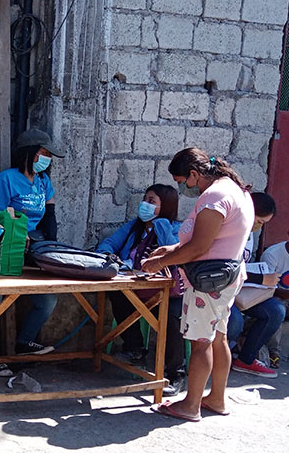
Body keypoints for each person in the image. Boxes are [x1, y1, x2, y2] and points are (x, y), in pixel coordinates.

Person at [143, 148, 254, 421]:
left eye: (183, 181)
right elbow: (216, 240)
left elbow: (199, 248)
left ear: (195, 174)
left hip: (208, 281)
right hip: (226, 277)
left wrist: (160, 263)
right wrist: (169, 251)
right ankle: (216, 398)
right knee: (219, 338)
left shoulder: (214, 197)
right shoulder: (237, 191)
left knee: (200, 342)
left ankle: (190, 405)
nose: (183, 188)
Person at [0, 128, 64, 378]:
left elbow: (50, 218)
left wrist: (52, 248)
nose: (46, 158)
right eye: (43, 153)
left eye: (49, 155)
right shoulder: (7, 179)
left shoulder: (44, 182)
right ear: (29, 153)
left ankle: (25, 343)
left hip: (35, 247)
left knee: (48, 299)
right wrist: (13, 228)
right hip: (7, 245)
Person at [97, 184, 189, 395]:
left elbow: (175, 252)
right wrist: (110, 257)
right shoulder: (134, 227)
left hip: (165, 290)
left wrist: (161, 225)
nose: (145, 204)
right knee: (117, 296)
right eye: (145, 199)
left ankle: (175, 373)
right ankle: (134, 348)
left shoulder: (175, 228)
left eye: (152, 201)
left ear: (165, 207)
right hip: (134, 284)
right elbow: (109, 244)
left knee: (172, 320)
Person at [226, 192, 281, 378]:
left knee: (275, 310)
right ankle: (216, 359)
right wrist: (261, 279)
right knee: (235, 321)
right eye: (260, 221)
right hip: (220, 292)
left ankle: (246, 359)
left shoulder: (250, 235)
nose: (259, 226)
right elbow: (226, 268)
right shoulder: (231, 230)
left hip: (240, 291)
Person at [262, 233, 289, 369]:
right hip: (272, 295)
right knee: (278, 309)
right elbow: (266, 287)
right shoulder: (273, 254)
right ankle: (274, 351)